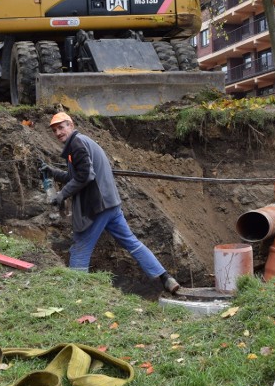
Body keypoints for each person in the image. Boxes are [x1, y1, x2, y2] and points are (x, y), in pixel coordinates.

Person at [41, 112, 181, 294]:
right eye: (54, 130)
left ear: (71, 125)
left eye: (61, 127)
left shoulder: (76, 144)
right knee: (132, 243)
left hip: (97, 207)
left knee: (79, 248)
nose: (58, 132)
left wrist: (61, 195)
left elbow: (86, 176)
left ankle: (75, 295)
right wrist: (53, 172)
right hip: (111, 205)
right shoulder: (81, 143)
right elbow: (75, 176)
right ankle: (166, 278)